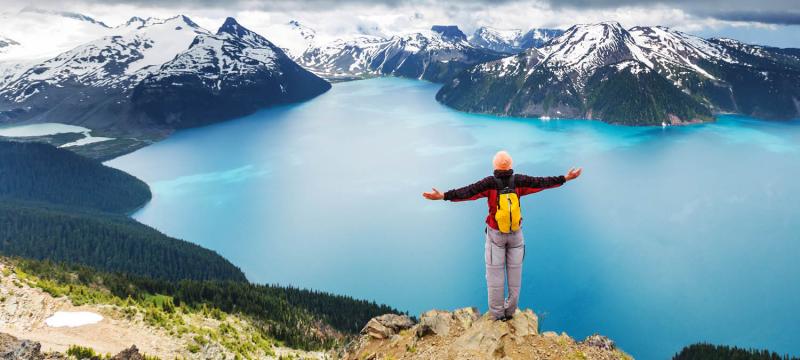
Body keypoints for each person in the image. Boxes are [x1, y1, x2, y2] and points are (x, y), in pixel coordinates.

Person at [422, 150, 582, 320]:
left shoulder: (489, 183)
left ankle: (498, 316)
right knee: (515, 278)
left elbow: (467, 192)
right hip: (516, 235)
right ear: (511, 165)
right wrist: (565, 178)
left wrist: (443, 196)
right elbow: (542, 182)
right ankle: (510, 312)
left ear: (494, 166)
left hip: (495, 236)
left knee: (495, 277)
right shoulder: (519, 181)